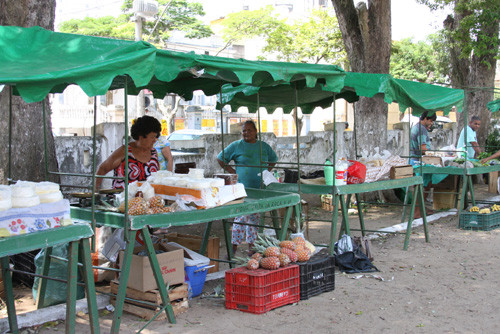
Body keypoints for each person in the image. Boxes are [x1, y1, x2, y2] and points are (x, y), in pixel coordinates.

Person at [217, 120, 278, 256]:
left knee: (254, 218)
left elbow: (274, 159)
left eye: (249, 130)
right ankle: (233, 247)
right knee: (240, 218)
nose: (246, 133)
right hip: (241, 189)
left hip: (258, 188)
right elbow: (220, 158)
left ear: (256, 132)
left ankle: (252, 247)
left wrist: (266, 172)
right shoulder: (236, 146)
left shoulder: (263, 146)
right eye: (244, 131)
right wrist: (232, 172)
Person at [95, 115, 161, 190]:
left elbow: (157, 177)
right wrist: (95, 190)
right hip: (123, 199)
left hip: (146, 199)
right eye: (152, 137)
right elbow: (103, 169)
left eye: (156, 137)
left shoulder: (153, 153)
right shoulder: (124, 151)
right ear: (141, 136)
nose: (155, 140)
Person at [410, 111, 437, 218]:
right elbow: (423, 149)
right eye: (431, 121)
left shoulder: (416, 127)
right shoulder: (422, 130)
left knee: (426, 184)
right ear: (425, 118)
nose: (431, 123)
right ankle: (417, 211)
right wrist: (434, 154)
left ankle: (422, 207)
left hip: (415, 160)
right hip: (418, 161)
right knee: (421, 186)